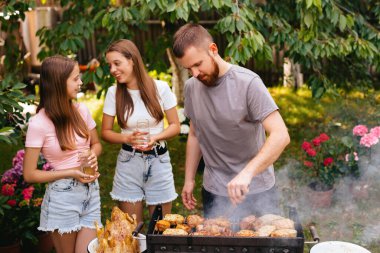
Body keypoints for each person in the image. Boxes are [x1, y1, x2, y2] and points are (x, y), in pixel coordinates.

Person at [173, 24, 290, 219]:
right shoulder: (191, 87)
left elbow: (281, 135)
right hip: (214, 191)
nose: (194, 73)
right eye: (188, 68)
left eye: (198, 64)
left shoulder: (248, 83)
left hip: (256, 190)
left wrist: (247, 173)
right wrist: (189, 179)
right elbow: (195, 134)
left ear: (213, 50)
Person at [23, 55, 102, 253]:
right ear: (59, 83)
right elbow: (30, 174)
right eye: (75, 79)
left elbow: (97, 144)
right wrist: (71, 172)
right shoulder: (38, 124)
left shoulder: (82, 111)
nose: (81, 83)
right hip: (62, 199)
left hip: (91, 193)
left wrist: (93, 154)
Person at [101, 39, 180, 223]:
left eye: (117, 63)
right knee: (132, 230)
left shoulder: (160, 88)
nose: (112, 70)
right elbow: (105, 132)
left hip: (159, 161)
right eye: (110, 65)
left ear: (132, 60)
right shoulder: (114, 93)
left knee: (160, 228)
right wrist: (127, 137)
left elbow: (175, 125)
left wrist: (156, 137)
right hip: (129, 163)